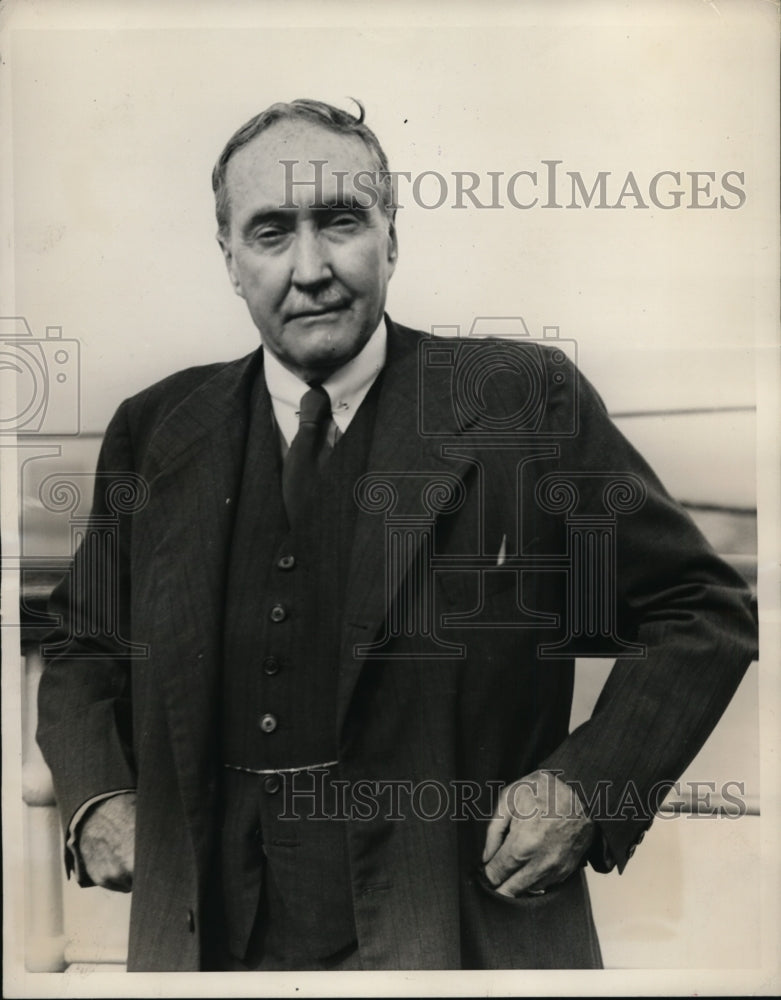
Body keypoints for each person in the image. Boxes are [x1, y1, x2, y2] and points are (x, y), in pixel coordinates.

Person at [36, 99, 758, 972]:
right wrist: (95, 797)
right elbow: (80, 642)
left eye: (340, 221)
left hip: (459, 940)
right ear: (228, 258)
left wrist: (585, 786)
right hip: (206, 950)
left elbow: (700, 608)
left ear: (391, 237)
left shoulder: (520, 399)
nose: (310, 269)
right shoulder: (155, 429)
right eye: (269, 233)